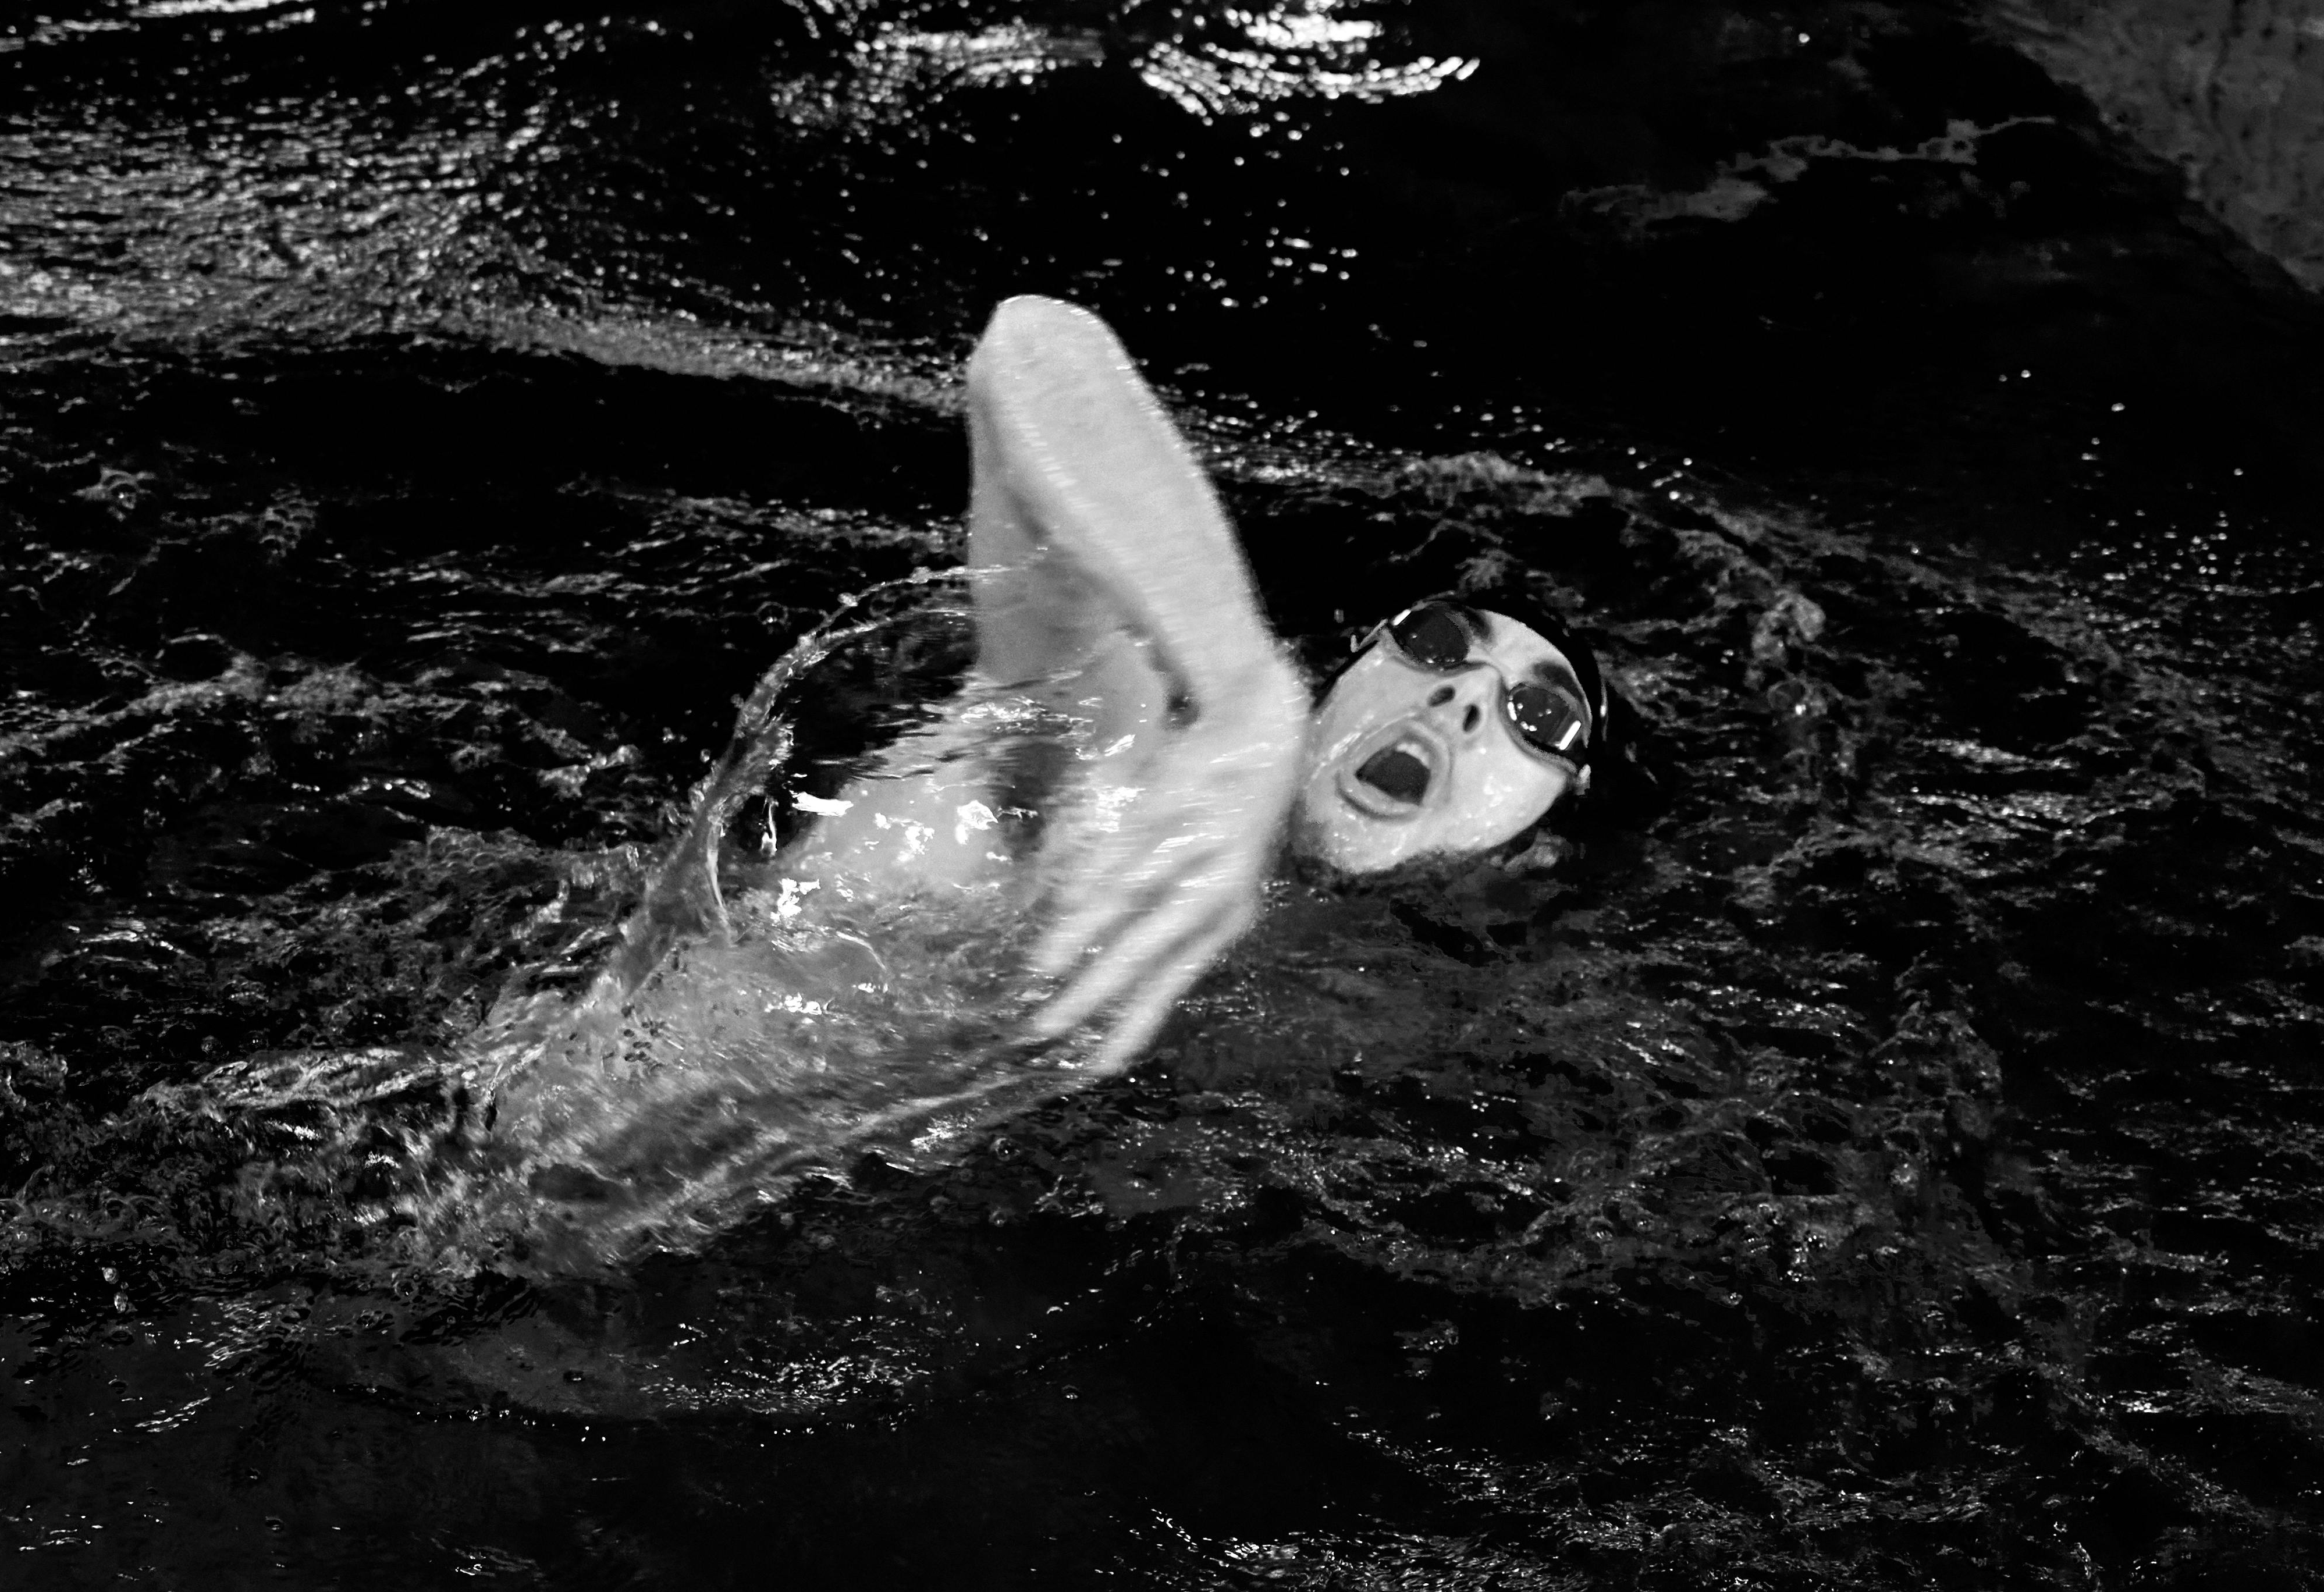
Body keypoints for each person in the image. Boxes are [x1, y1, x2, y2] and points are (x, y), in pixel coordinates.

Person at [422, 294, 1618, 1266]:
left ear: (1543, 847)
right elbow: (1031, 349)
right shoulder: (1109, 755)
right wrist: (1245, 689)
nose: (1462, 695)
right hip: (440, 1194)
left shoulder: (1379, 1036)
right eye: (1442, 640)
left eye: (1537, 713)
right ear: (1339, 677)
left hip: (632, 1287)